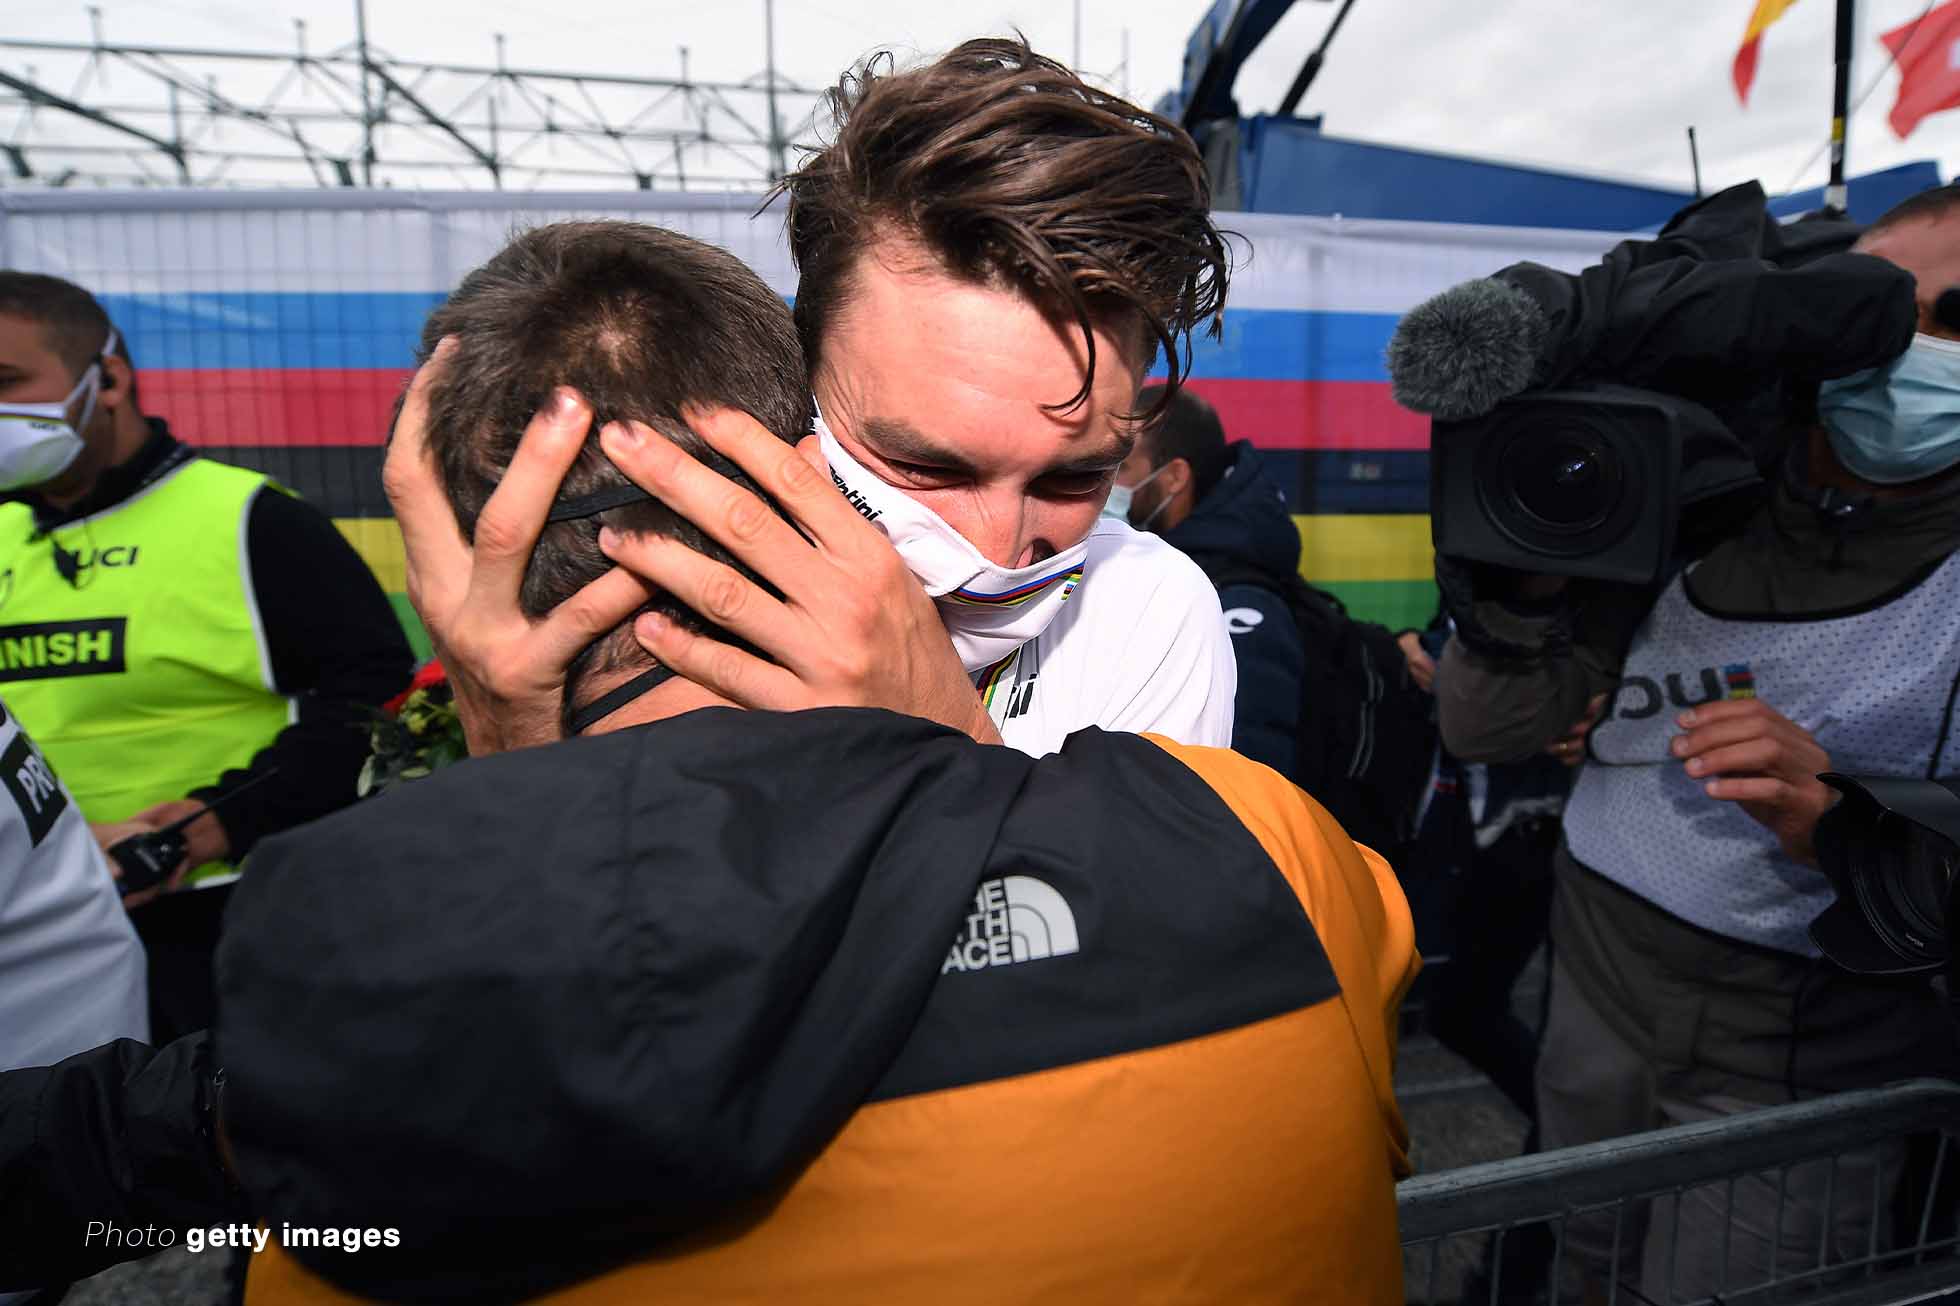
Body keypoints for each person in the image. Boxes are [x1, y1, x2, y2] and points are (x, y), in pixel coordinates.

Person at [0, 219, 1416, 1306]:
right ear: (803, 472)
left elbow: (126, 1160)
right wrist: (961, 757)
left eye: (1072, 479)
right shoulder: (1263, 850)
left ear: (438, 534)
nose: (1003, 546)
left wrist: (508, 748)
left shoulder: (339, 1001)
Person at [424, 38, 1238, 760]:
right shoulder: (661, 584)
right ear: (800, 381)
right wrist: (513, 747)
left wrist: (944, 733)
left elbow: (1135, 934)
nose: (996, 547)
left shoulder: (1148, 615)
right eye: (921, 465)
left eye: (1072, 480)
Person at [1433, 183, 1960, 1295]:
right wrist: (1520, 583)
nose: (1905, 345)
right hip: (1595, 1003)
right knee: (1578, 1272)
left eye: (1951, 317)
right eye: (1863, 307)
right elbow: (1485, 727)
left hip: (1803, 1065)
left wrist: (1848, 827)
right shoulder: (1702, 478)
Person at [0, 273, 415, 1042]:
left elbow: (375, 707)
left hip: (219, 933)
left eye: (7, 382)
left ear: (111, 377)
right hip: (28, 945)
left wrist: (199, 830)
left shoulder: (254, 521)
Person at [1116, 383, 1435, 856]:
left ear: (1174, 477)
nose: (1103, 483)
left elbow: (1249, 796)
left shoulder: (1237, 606)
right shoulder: (1165, 572)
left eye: (1120, 467)